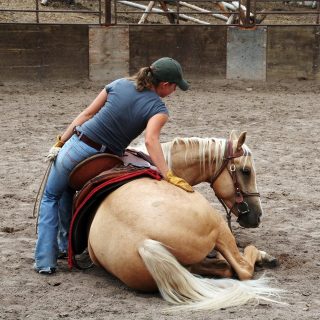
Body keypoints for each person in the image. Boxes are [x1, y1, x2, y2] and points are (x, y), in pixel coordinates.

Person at [34, 57, 194, 274]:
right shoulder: (159, 109)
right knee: (65, 190)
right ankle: (66, 245)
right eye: (175, 86)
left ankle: (46, 261)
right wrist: (167, 175)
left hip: (78, 147)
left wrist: (61, 141)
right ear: (165, 84)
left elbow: (87, 114)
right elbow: (151, 141)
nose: (174, 91)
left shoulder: (118, 84)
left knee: (51, 196)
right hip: (106, 160)